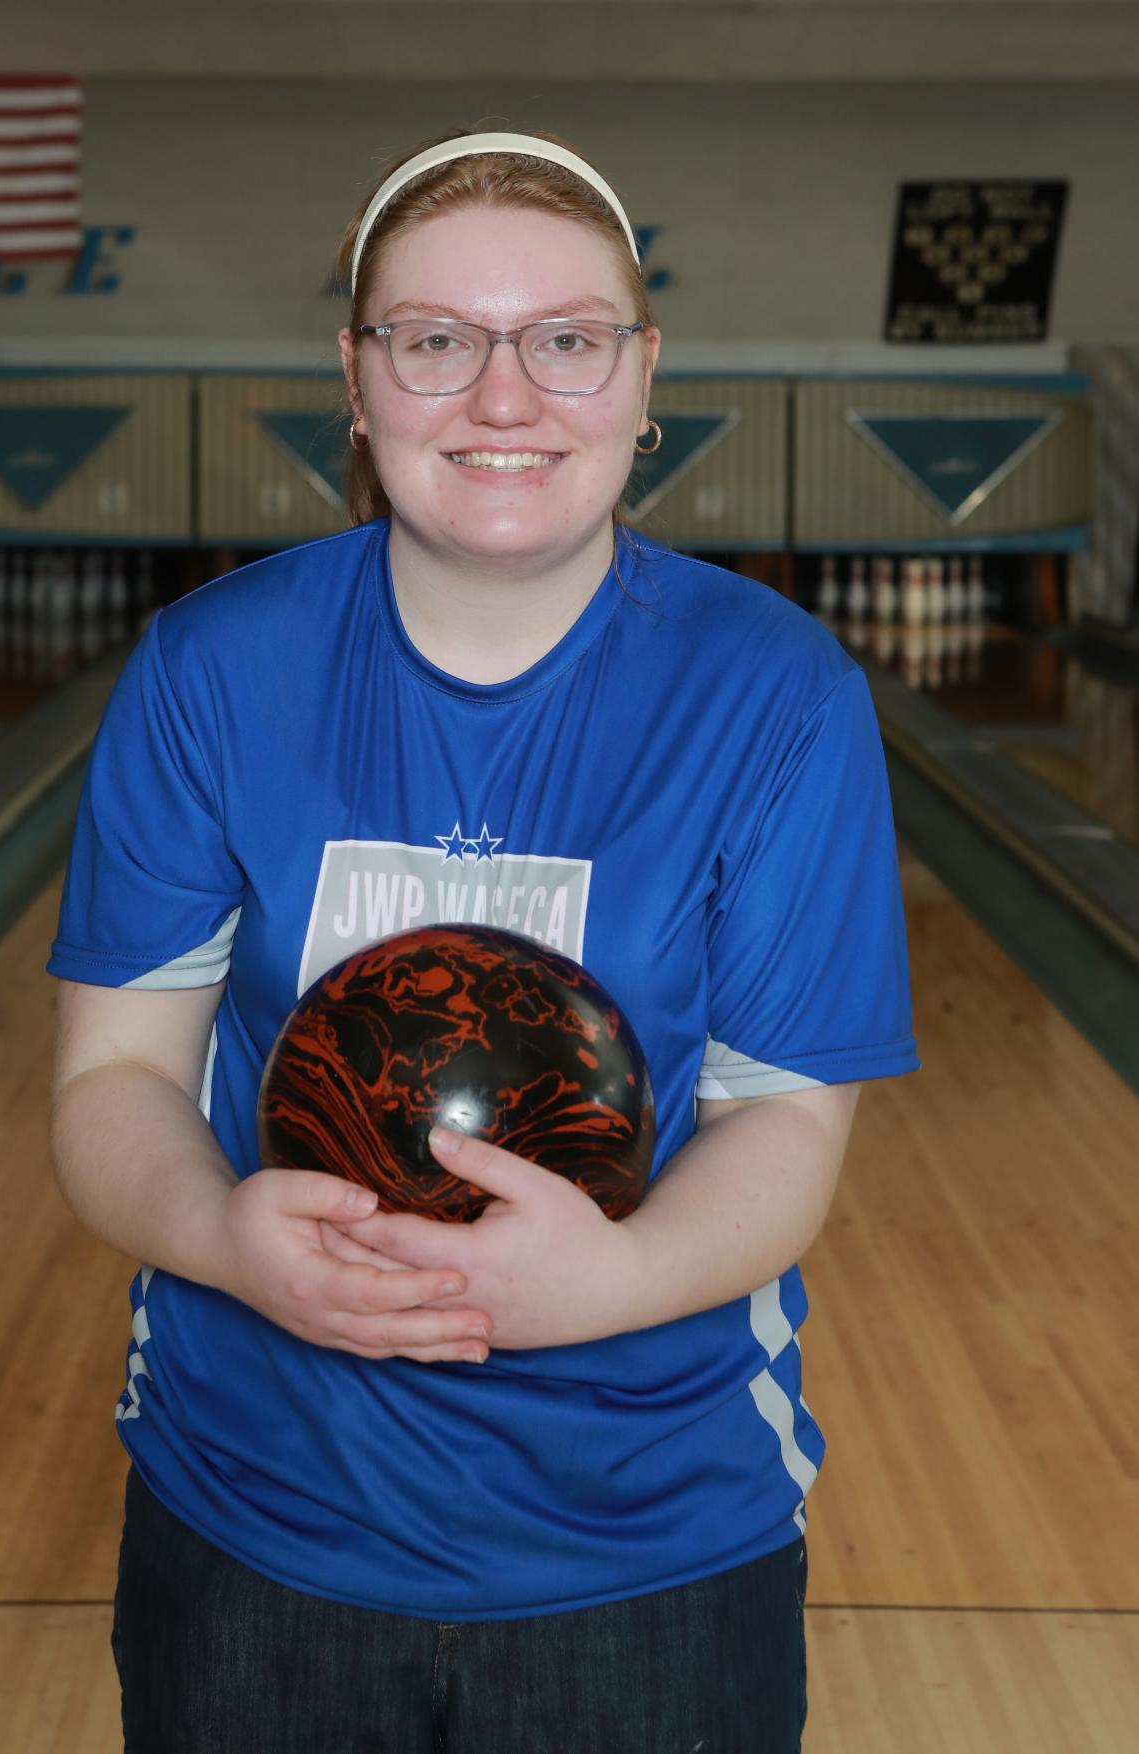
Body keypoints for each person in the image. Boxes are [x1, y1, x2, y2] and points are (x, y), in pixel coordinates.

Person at [47, 127, 919, 1753]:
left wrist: (617, 1278)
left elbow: (790, 1123)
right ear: (359, 378)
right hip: (254, 1521)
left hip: (651, 1540)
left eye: (566, 340)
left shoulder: (781, 698)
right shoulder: (208, 670)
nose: (503, 399)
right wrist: (235, 1241)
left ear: (644, 372)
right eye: (435, 340)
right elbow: (112, 1085)